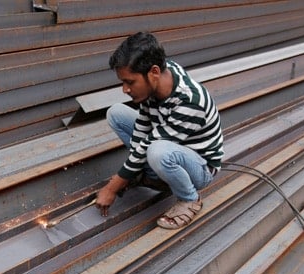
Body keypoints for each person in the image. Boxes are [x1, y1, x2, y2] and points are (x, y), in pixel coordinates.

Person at [95, 32, 224, 229]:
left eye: (130, 82)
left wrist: (114, 186)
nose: (125, 89)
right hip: (169, 143)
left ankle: (189, 198)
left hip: (199, 166)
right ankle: (149, 173)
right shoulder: (159, 77)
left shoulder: (190, 102)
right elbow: (142, 130)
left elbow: (150, 143)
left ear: (154, 72)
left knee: (158, 152)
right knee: (116, 113)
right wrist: (127, 175)